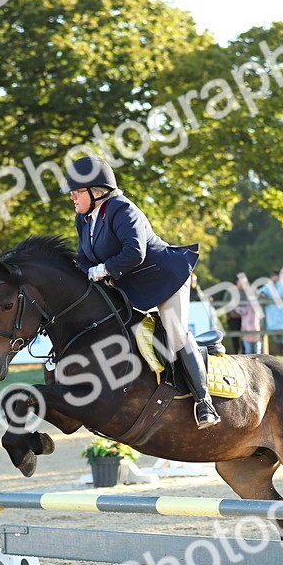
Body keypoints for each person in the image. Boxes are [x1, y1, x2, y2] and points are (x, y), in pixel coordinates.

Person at [62, 156, 220, 429]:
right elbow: (83, 258)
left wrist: (102, 270)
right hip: (130, 283)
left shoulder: (123, 210)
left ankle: (203, 402)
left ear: (96, 191)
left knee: (175, 332)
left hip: (164, 276)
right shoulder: (84, 220)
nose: (73, 198)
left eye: (77, 192)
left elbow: (135, 251)